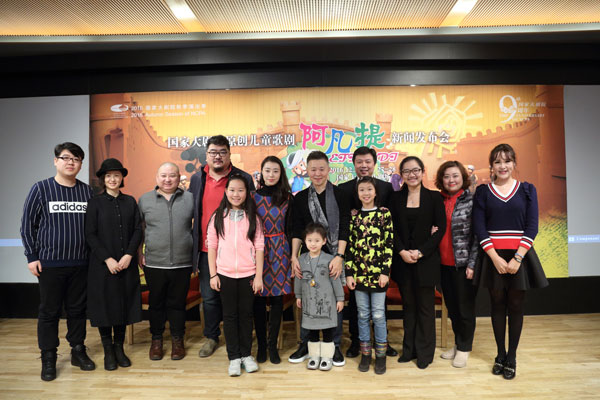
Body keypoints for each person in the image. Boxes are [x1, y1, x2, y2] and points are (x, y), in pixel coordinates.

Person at [20, 142, 95, 381]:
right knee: (49, 312)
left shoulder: (88, 192)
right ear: (56, 161)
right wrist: (32, 257)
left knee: (77, 310)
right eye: (66, 158)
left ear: (81, 164)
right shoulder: (40, 189)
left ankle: (77, 350)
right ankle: (48, 356)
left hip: (81, 263)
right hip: (50, 263)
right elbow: (27, 225)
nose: (71, 162)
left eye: (76, 159)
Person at [472, 143, 548, 380]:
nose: (502, 166)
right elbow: (480, 227)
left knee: (515, 306)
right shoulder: (483, 192)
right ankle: (500, 355)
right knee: (497, 305)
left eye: (507, 161)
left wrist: (517, 258)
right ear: (491, 166)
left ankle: (512, 357)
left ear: (514, 163)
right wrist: (494, 257)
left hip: (519, 256)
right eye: (497, 161)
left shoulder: (527, 190)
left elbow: (532, 226)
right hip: (493, 256)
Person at [189, 135, 255, 358]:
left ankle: (239, 338)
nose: (217, 156)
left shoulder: (243, 178)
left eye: (222, 152)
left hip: (238, 253)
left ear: (229, 154)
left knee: (239, 300)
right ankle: (211, 336)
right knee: (209, 297)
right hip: (207, 250)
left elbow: (253, 212)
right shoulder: (197, 178)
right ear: (206, 155)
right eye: (213, 152)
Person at [289, 150, 349, 367]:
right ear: (307, 170)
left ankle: (334, 346)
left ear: (328, 170)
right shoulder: (300, 198)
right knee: (308, 298)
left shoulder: (340, 195)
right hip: (308, 258)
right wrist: (294, 257)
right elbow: (297, 229)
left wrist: (339, 256)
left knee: (333, 300)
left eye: (321, 169)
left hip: (334, 257)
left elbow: (345, 227)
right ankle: (307, 345)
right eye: (313, 169)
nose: (317, 173)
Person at [338, 146, 397, 358]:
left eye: (368, 162)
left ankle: (383, 342)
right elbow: (343, 222)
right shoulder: (344, 189)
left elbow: (392, 223)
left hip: (379, 259)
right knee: (357, 305)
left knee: (380, 307)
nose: (364, 165)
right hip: (356, 258)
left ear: (374, 164)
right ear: (353, 164)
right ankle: (357, 342)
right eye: (359, 162)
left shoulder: (386, 187)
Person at [85, 158, 142, 371]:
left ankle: (119, 348)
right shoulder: (95, 203)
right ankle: (108, 350)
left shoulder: (130, 201)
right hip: (103, 265)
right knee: (105, 307)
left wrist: (129, 255)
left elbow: (138, 230)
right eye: (108, 176)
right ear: (103, 179)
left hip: (126, 263)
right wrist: (107, 259)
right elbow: (90, 234)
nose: (112, 179)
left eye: (116, 175)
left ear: (121, 178)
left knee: (122, 305)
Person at [389, 156, 446, 369]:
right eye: (406, 171)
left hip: (426, 261)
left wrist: (421, 252)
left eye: (415, 170)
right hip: (403, 261)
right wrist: (402, 251)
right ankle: (408, 350)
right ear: (401, 175)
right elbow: (391, 229)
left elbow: (440, 229)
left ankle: (424, 353)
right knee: (409, 307)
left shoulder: (434, 197)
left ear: (422, 172)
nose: (411, 175)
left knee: (425, 308)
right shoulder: (395, 198)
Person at [207, 175, 265, 376]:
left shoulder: (253, 217)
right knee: (229, 316)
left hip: (249, 274)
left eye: (241, 190)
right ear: (226, 192)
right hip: (225, 274)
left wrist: (258, 276)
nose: (236, 194)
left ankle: (246, 355)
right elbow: (212, 246)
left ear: (247, 193)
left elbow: (259, 247)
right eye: (232, 190)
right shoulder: (217, 217)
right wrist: (213, 275)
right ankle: (233, 357)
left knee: (246, 316)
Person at [138, 162, 194, 361]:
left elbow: (198, 227)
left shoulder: (190, 199)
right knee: (156, 304)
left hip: (183, 263)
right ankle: (156, 340)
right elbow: (139, 229)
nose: (167, 179)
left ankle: (178, 340)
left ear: (179, 177)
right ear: (157, 177)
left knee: (177, 304)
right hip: (154, 262)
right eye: (163, 175)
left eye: (172, 175)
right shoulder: (145, 200)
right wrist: (139, 252)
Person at [345, 176, 394, 374]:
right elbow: (350, 247)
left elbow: (389, 244)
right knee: (363, 314)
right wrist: (349, 273)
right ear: (357, 194)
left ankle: (380, 356)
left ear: (375, 192)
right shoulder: (354, 217)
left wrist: (385, 272)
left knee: (379, 315)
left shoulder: (384, 214)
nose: (366, 193)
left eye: (369, 189)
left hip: (379, 275)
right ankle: (365, 354)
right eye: (362, 190)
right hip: (359, 276)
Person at [434, 161, 479, 368]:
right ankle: (458, 343)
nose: (451, 180)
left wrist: (472, 263)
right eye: (446, 176)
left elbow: (478, 236)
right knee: (452, 308)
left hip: (463, 265)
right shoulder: (438, 200)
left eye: (455, 176)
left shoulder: (472, 201)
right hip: (442, 264)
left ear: (463, 177)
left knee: (465, 309)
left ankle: (464, 348)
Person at [252, 156, 293, 364]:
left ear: (281, 173)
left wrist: (292, 256)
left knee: (277, 300)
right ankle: (261, 346)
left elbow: (291, 229)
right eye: (267, 170)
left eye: (275, 171)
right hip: (257, 251)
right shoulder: (252, 197)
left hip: (280, 251)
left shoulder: (287, 198)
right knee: (258, 299)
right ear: (261, 172)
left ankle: (272, 346)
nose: (271, 175)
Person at [295, 223, 345, 371]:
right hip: (309, 302)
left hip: (327, 302)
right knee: (313, 332)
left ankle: (327, 357)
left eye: (317, 240)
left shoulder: (330, 259)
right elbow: (298, 279)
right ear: (305, 241)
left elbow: (335, 280)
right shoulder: (301, 259)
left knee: (328, 331)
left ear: (324, 241)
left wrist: (340, 299)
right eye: (310, 240)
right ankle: (314, 356)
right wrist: (298, 296)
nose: (313, 244)